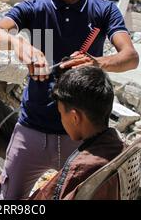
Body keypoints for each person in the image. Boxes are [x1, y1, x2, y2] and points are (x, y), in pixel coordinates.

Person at [0, 0, 139, 199]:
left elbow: (130, 57)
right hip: (31, 131)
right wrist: (18, 44)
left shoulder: (103, 11)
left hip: (80, 136)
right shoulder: (34, 8)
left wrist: (96, 62)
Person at [29, 66, 125, 200]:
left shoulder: (80, 168)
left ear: (75, 117)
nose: (61, 119)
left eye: (61, 113)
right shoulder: (117, 145)